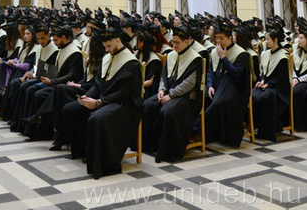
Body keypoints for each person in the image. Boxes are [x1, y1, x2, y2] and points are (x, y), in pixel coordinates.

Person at [61, 26, 143, 179]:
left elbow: (124, 93)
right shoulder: (107, 57)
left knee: (97, 118)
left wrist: (98, 103)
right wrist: (86, 97)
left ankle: (105, 163)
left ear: (117, 40)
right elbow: (97, 85)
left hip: (124, 105)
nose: (106, 49)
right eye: (105, 46)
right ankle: (86, 150)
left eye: (109, 46)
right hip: (106, 100)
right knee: (70, 109)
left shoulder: (131, 63)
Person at [142, 24, 203, 162]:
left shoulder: (196, 58)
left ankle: (168, 151)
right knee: (147, 105)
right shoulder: (170, 55)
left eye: (177, 42)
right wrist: (161, 90)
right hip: (168, 93)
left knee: (168, 111)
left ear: (186, 41)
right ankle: (150, 144)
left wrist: (171, 95)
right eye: (173, 42)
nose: (174, 45)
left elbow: (189, 83)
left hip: (187, 97)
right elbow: (164, 77)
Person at [203, 19, 250, 147]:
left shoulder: (241, 54)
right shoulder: (214, 51)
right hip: (217, 88)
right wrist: (210, 85)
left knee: (221, 102)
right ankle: (205, 133)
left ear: (230, 38)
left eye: (221, 38)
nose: (218, 41)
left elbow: (236, 75)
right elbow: (210, 72)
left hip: (235, 91)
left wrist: (224, 57)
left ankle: (202, 132)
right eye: (217, 38)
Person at [252, 22, 291, 141]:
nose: (266, 42)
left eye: (268, 39)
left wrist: (268, 85)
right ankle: (257, 125)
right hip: (268, 85)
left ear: (275, 40)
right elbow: (265, 72)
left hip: (279, 89)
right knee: (253, 93)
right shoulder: (265, 53)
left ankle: (268, 131)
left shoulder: (282, 56)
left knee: (267, 96)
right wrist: (262, 81)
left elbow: (281, 78)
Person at [292, 20, 307, 131]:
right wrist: (294, 78)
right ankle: (290, 121)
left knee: (296, 91)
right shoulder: (297, 52)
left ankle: (302, 124)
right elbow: (292, 67)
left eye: (301, 38)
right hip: (297, 80)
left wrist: (299, 80)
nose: (298, 40)